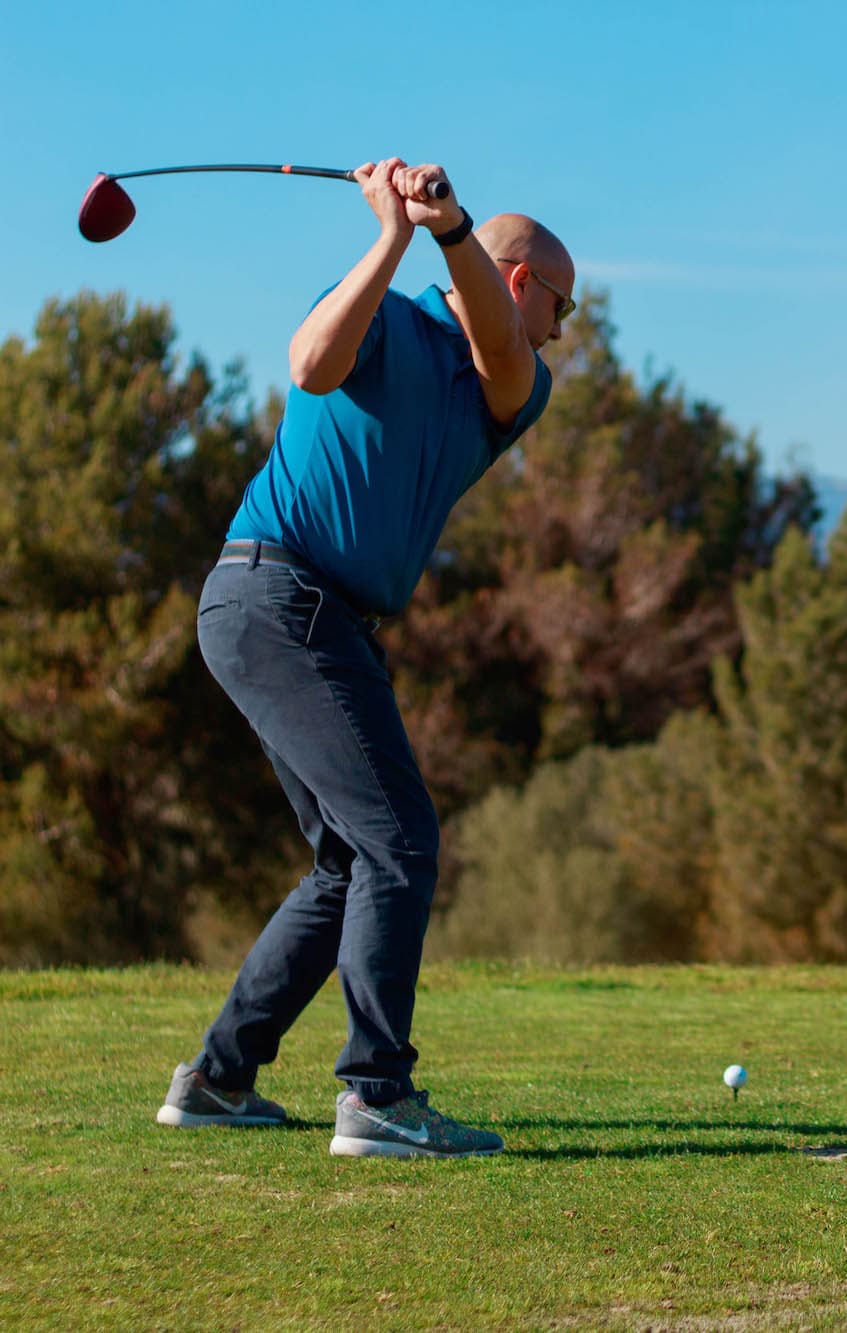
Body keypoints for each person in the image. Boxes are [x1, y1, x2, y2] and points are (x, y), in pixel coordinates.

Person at [154, 157, 574, 1158]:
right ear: (526, 285)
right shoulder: (374, 310)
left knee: (351, 859)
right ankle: (378, 1095)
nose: (566, 328)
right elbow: (309, 366)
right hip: (275, 596)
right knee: (399, 838)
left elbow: (507, 350)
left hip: (304, 616)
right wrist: (393, 232)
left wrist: (447, 226)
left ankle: (218, 1079)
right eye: (562, 304)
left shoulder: (508, 388)